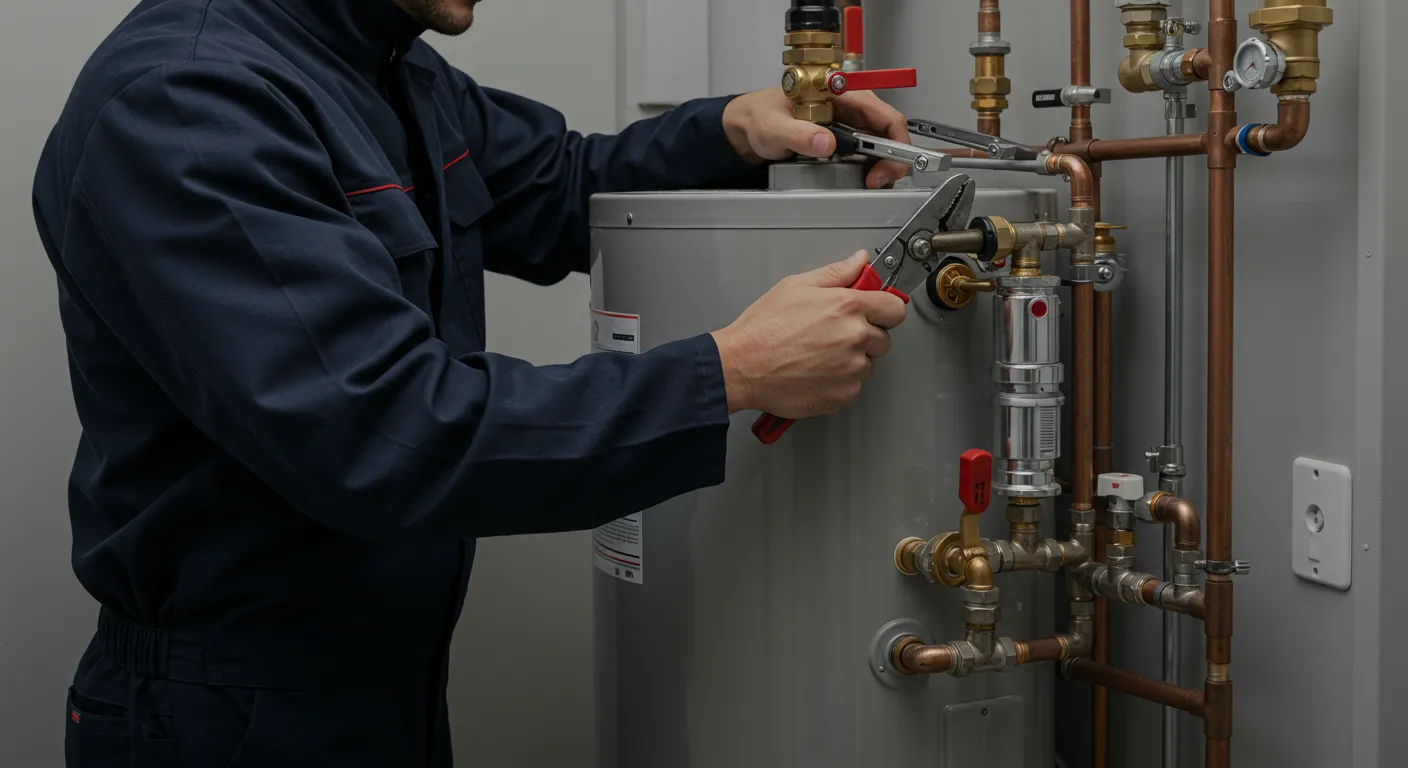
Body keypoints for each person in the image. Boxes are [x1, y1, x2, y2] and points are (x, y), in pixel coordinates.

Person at [31, 0, 913, 764]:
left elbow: (562, 184)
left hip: (383, 686)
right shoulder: (189, 102)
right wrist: (730, 372)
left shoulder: (387, 68)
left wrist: (729, 130)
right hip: (227, 712)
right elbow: (389, 435)